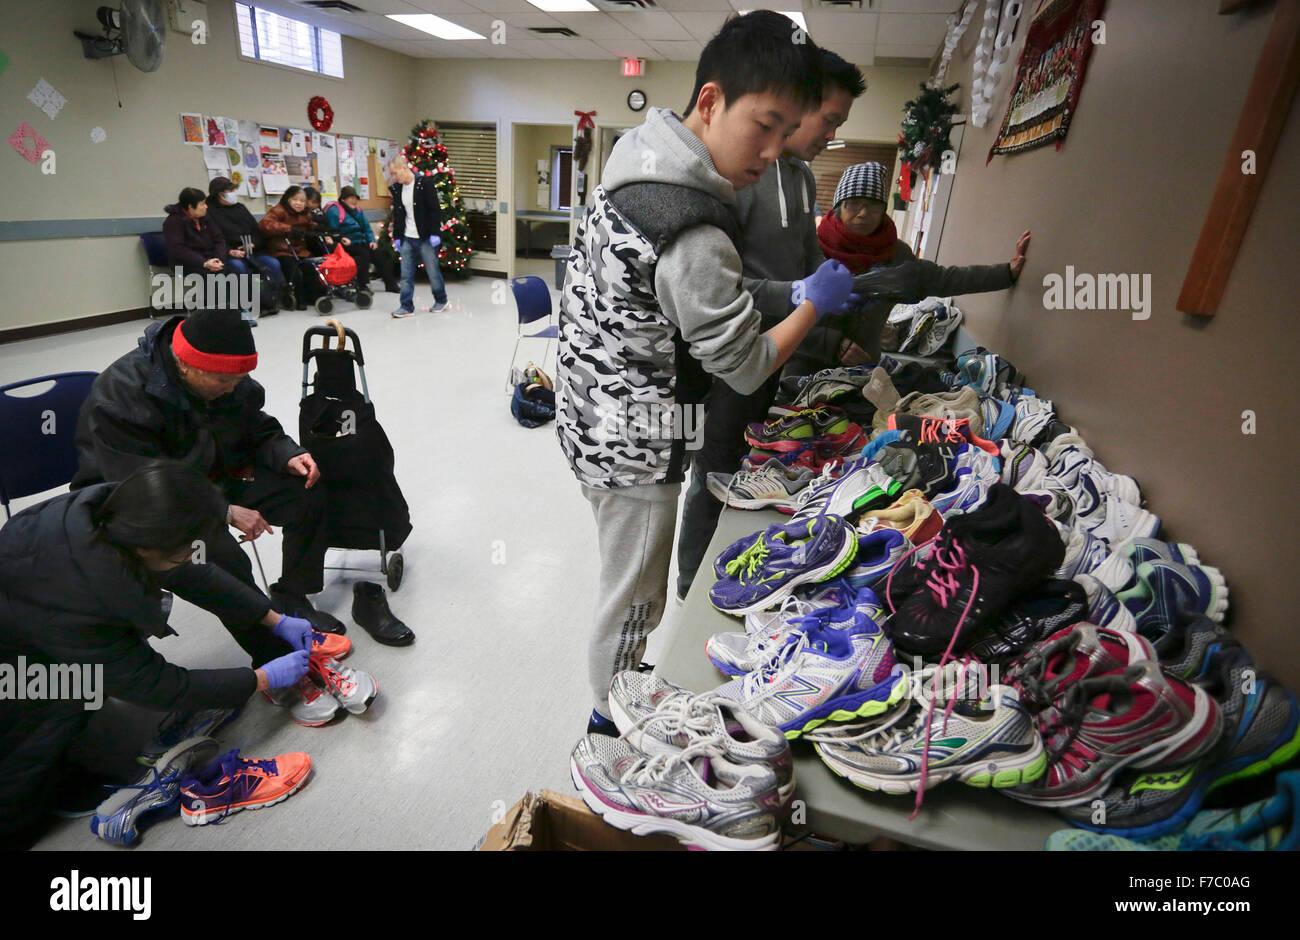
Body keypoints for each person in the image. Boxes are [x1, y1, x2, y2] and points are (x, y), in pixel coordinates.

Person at [555, 11, 851, 735]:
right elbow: (746, 364)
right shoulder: (692, 229)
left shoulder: (636, 152)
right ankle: (610, 729)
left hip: (588, 406)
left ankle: (619, 705)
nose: (775, 151)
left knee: (627, 581)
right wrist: (812, 304)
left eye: (791, 134)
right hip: (633, 439)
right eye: (766, 126)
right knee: (632, 600)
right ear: (712, 101)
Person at [0, 461, 312, 848]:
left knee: (84, 695)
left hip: (34, 612)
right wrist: (260, 679)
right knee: (37, 742)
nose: (189, 555)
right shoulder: (79, 603)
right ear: (150, 548)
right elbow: (155, 685)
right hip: (15, 668)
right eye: (183, 550)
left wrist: (272, 618)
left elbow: (194, 571)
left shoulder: (120, 513)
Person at [675, 47, 868, 601]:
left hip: (775, 352)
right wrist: (804, 295)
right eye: (829, 119)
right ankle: (692, 591)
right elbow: (720, 287)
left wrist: (830, 306)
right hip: (724, 357)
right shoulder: (738, 173)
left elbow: (806, 262)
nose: (830, 134)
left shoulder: (803, 178)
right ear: (799, 104)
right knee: (713, 476)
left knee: (753, 473)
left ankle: (742, 575)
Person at [70, 308, 346, 638]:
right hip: (140, 502)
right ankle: (272, 642)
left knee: (305, 491)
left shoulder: (227, 379)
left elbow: (256, 427)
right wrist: (223, 511)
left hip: (212, 474)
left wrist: (288, 453)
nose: (232, 388)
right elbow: (142, 487)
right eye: (223, 381)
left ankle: (292, 595)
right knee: (219, 554)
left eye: (238, 380)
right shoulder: (120, 394)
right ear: (185, 365)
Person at [819, 161, 1031, 359]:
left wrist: (1006, 273)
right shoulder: (814, 247)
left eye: (873, 206)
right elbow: (786, 308)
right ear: (839, 207)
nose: (864, 213)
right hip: (806, 366)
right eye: (854, 204)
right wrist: (832, 343)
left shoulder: (896, 256)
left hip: (861, 370)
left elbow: (946, 279)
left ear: (884, 211)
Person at [162, 187, 257, 324]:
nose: (206, 207)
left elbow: (219, 239)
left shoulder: (205, 218)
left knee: (234, 271)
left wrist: (218, 258)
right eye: (202, 204)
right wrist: (204, 263)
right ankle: (223, 316)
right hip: (187, 263)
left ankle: (241, 310)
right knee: (212, 277)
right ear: (190, 207)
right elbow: (178, 250)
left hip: (212, 259)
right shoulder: (173, 222)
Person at [206, 176, 286, 315]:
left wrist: (253, 243)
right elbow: (213, 239)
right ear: (220, 194)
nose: (233, 193)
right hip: (229, 254)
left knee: (273, 264)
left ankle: (273, 299)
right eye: (229, 190)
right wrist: (230, 251)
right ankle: (251, 304)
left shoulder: (240, 208)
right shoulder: (210, 213)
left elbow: (256, 230)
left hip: (251, 251)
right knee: (240, 268)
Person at [388, 155, 448, 319]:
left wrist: (435, 233)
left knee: (432, 271)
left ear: (404, 168)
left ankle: (441, 300)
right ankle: (406, 306)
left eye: (395, 173)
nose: (394, 177)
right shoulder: (398, 189)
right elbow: (398, 215)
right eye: (392, 174)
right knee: (406, 275)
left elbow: (434, 210)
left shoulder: (424, 184)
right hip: (408, 237)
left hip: (426, 237)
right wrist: (397, 236)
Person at [258, 186, 321, 310]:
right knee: (294, 270)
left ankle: (314, 297)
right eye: (295, 200)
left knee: (312, 267)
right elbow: (265, 225)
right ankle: (299, 299)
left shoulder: (305, 214)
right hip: (281, 250)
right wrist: (288, 229)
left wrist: (320, 229)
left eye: (302, 201)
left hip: (300, 250)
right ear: (288, 199)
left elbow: (310, 226)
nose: (299, 203)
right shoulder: (278, 210)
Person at [322, 186, 377, 295]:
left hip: (360, 241)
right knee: (363, 254)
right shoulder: (334, 211)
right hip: (344, 243)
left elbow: (366, 228)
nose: (354, 201)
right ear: (343, 199)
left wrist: (372, 240)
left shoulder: (358, 211)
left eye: (355, 198)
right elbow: (332, 231)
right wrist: (341, 239)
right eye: (350, 198)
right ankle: (363, 285)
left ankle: (390, 284)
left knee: (378, 253)